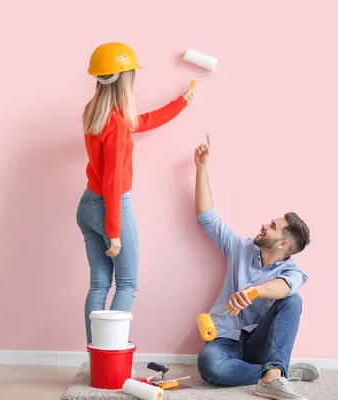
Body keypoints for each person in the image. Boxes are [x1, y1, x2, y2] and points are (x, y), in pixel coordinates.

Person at [77, 42, 193, 345]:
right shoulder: (115, 124)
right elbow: (113, 182)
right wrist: (113, 232)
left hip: (87, 206)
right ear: (126, 79)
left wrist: (181, 102)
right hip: (108, 207)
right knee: (127, 283)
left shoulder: (95, 112)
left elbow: (141, 121)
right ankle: (111, 353)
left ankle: (96, 357)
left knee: (99, 285)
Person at [193, 134, 319, 400]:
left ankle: (273, 370)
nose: (264, 225)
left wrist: (253, 292)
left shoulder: (292, 272)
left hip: (259, 345)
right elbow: (207, 217)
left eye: (272, 226)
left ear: (283, 244)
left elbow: (285, 289)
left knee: (293, 301)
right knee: (210, 366)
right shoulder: (240, 247)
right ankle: (276, 373)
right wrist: (202, 167)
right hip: (224, 339)